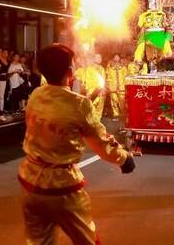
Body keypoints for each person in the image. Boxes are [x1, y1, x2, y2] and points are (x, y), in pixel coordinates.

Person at [19, 44, 135, 244]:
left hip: (30, 184)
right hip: (62, 188)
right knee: (87, 240)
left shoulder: (36, 96)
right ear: (70, 72)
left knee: (39, 242)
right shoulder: (79, 105)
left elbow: (62, 109)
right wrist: (124, 158)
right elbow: (100, 143)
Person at [75, 54, 106, 121]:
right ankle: (90, 121)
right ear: (94, 59)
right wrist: (89, 91)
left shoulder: (102, 68)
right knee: (91, 107)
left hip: (100, 91)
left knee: (99, 107)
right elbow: (87, 81)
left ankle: (97, 121)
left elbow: (103, 80)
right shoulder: (89, 68)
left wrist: (103, 89)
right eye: (97, 57)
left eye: (100, 57)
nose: (99, 59)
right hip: (92, 91)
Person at [106, 54, 127, 120]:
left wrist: (125, 85)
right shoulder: (110, 68)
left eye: (117, 56)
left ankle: (124, 114)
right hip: (113, 87)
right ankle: (116, 115)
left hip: (122, 87)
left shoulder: (123, 67)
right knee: (114, 101)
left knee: (122, 101)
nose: (116, 58)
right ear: (113, 58)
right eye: (115, 56)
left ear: (119, 58)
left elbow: (126, 77)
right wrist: (109, 85)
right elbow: (108, 78)